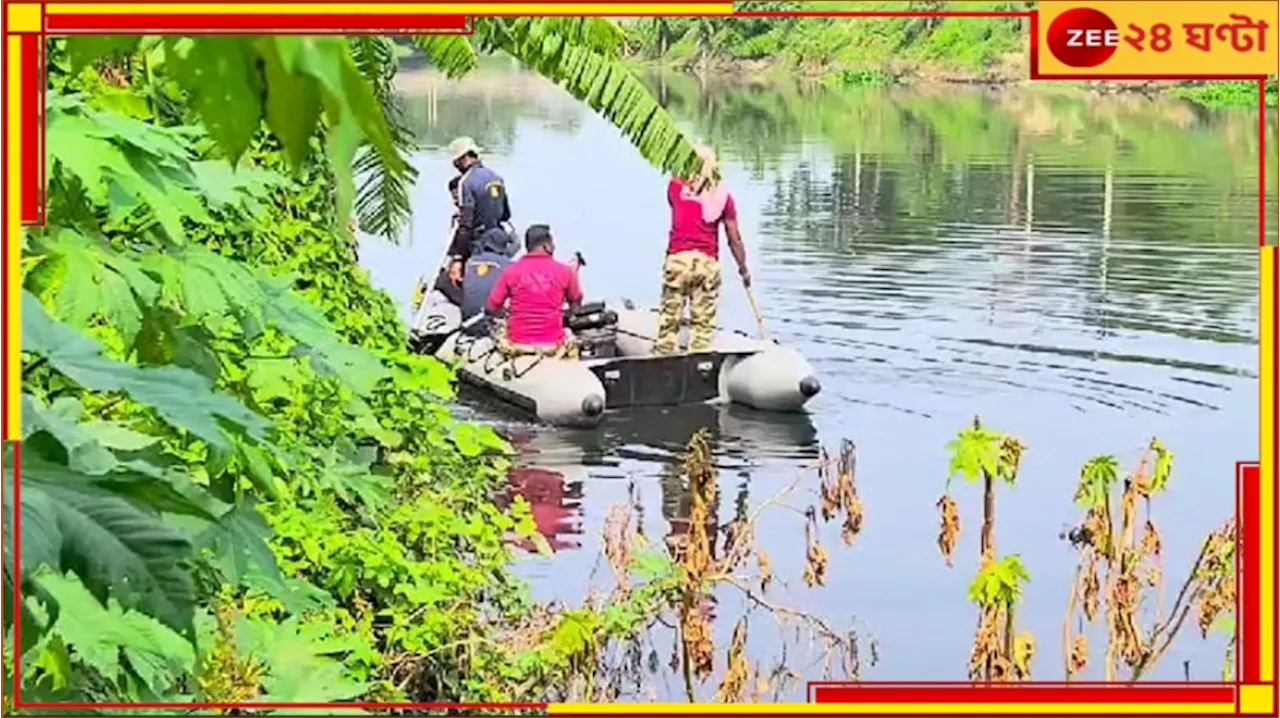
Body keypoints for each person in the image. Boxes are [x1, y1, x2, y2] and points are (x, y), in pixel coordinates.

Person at [653, 147, 752, 355]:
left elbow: (675, 202)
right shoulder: (724, 198)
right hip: (706, 264)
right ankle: (698, 361)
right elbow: (734, 238)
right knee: (702, 328)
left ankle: (663, 358)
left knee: (668, 325)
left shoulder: (675, 187)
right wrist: (743, 268)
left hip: (678, 261)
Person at [484, 224, 583, 358]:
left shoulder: (511, 271)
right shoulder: (565, 272)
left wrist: (507, 314)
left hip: (517, 344)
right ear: (546, 246)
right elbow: (576, 304)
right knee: (571, 338)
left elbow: (491, 307)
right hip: (552, 346)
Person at [445, 136, 517, 289]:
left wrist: (458, 258)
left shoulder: (466, 182)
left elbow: (466, 223)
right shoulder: (497, 178)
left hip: (478, 245)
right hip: (499, 242)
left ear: (463, 158)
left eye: (456, 163)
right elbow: (506, 214)